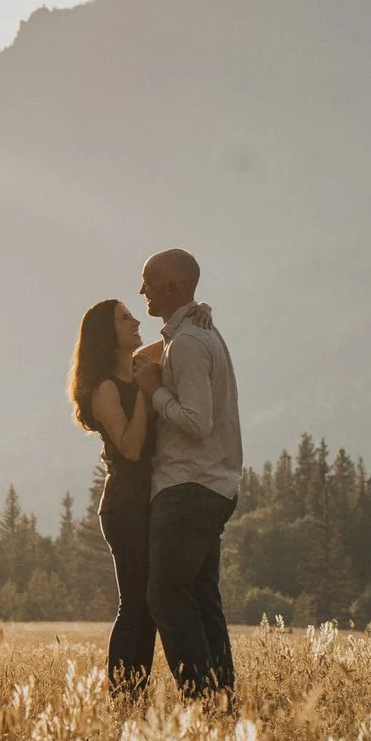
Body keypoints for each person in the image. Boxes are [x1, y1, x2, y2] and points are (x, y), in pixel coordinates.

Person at [137, 248, 242, 701]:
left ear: (173, 287)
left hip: (188, 486)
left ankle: (201, 700)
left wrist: (155, 393)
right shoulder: (194, 334)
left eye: (149, 280)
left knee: (165, 598)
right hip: (211, 486)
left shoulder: (191, 343)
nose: (141, 289)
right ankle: (222, 699)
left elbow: (198, 423)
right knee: (201, 598)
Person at [68, 297, 162, 691]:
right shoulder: (106, 388)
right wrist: (145, 392)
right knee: (137, 605)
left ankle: (133, 694)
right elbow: (131, 447)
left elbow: (175, 336)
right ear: (109, 335)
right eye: (125, 319)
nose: (136, 320)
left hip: (146, 503)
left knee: (150, 605)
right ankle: (123, 695)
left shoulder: (139, 363)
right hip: (124, 507)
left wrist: (197, 311)